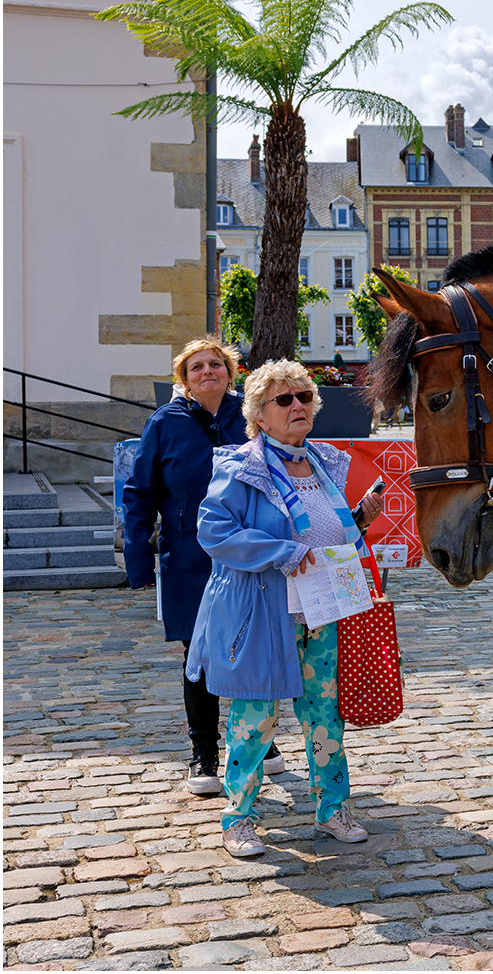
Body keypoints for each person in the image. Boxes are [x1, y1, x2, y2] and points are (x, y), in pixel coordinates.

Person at [185, 359, 385, 857]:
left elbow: (327, 535)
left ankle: (332, 807)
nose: (298, 405)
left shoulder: (325, 463)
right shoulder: (242, 467)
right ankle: (239, 818)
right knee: (256, 718)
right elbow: (214, 532)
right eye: (284, 400)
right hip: (262, 612)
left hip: (322, 610)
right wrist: (284, 553)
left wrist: (359, 518)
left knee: (325, 714)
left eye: (304, 397)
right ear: (259, 414)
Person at [122, 338, 287, 794]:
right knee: (199, 654)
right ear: (184, 378)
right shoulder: (165, 423)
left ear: (231, 373)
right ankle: (204, 754)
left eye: (216, 364)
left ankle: (260, 743)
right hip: (188, 557)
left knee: (252, 645)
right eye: (196, 367)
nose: (207, 371)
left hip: (250, 553)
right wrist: (139, 556)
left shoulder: (255, 417)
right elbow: (139, 493)